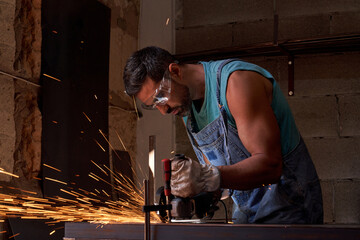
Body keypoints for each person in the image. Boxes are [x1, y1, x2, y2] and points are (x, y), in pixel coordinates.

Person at [123, 46, 323, 224]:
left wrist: (207, 176)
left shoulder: (236, 83)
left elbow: (270, 166)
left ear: (175, 71)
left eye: (161, 97)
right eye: (153, 105)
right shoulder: (185, 108)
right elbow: (221, 177)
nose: (162, 110)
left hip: (289, 205)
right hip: (247, 210)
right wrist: (194, 193)